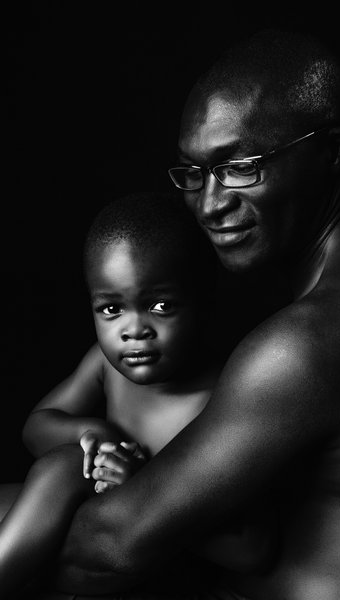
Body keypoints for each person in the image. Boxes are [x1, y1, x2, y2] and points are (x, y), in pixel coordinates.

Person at [4, 27, 340, 600]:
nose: (210, 205)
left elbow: (113, 548)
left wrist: (61, 483)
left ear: (335, 150)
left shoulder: (314, 338)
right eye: (194, 173)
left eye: (241, 165)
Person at [0, 192, 276, 599]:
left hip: (155, 567)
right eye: (111, 310)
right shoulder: (106, 365)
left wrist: (145, 486)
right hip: (86, 532)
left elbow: (252, 549)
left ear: (202, 302)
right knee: (60, 466)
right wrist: (94, 434)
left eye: (161, 305)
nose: (134, 330)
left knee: (63, 469)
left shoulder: (223, 397)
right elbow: (36, 428)